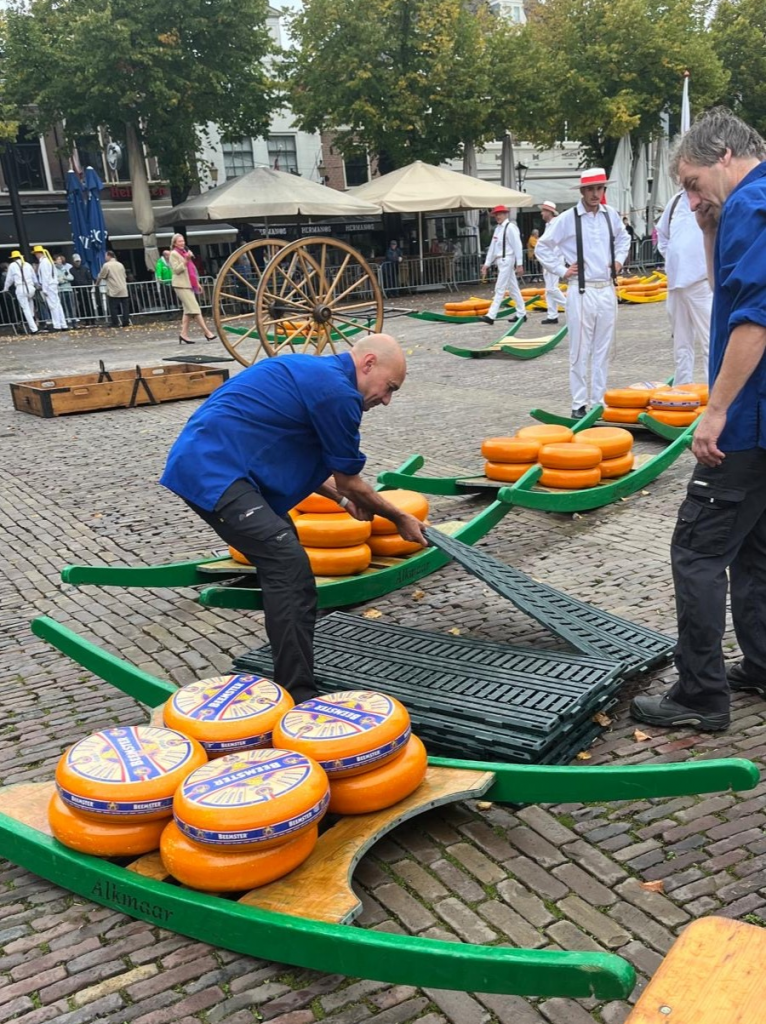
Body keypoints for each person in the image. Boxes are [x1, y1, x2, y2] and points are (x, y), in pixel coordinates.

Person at [160, 334, 428, 704]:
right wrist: (399, 518)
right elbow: (350, 479)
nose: (386, 399)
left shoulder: (315, 374)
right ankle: (297, 693)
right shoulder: (338, 395)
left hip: (221, 465)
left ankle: (292, 669)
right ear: (368, 364)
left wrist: (340, 498)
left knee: (289, 568)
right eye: (389, 387)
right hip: (212, 470)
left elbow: (314, 463)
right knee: (287, 564)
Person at [630, 107, 766, 733]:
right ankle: (761, 665)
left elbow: (754, 319)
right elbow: (727, 292)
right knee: (755, 550)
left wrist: (714, 413)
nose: (689, 198)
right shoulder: (738, 211)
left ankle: (700, 695)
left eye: (691, 183)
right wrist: (709, 227)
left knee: (696, 552)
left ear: (724, 158)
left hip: (748, 423)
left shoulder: (754, 203)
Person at [535, 169, 631, 418]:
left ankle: (598, 400)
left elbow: (624, 239)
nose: (595, 194)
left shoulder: (610, 215)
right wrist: (562, 270)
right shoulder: (567, 218)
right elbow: (543, 247)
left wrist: (619, 262)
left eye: (599, 188)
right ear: (582, 191)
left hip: (606, 289)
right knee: (579, 348)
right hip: (581, 290)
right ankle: (579, 402)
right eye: (591, 189)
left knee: (603, 348)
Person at [655, 190, 712, 384]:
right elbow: (662, 234)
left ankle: (714, 393)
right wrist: (672, 257)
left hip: (702, 283)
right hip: (676, 284)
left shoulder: (711, 196)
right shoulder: (675, 201)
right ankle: (682, 389)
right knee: (681, 344)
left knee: (710, 342)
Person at [480, 204, 526, 325]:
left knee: (499, 288)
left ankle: (491, 315)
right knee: (513, 288)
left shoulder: (510, 227)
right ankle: (522, 313)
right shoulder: (498, 229)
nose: (497, 216)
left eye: (500, 214)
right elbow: (493, 248)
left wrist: (519, 263)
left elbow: (517, 246)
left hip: (507, 259)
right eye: (496, 214)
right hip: (501, 260)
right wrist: (486, 264)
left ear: (506, 214)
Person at [169, 233, 216, 345]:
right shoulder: (173, 254)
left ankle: (183, 334)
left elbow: (192, 271)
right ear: (175, 243)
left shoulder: (186, 253)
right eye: (180, 241)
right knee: (195, 309)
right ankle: (207, 332)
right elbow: (176, 270)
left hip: (188, 284)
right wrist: (185, 261)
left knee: (188, 312)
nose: (182, 243)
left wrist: (197, 283)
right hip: (180, 285)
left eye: (183, 241)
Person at [538, 200, 568, 325]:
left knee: (552, 288)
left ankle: (570, 308)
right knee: (549, 289)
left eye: (543, 211)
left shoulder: (555, 225)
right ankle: (552, 315)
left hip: (554, 260)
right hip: (550, 259)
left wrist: (551, 259)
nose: (541, 213)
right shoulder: (549, 225)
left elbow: (557, 245)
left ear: (549, 212)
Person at [32, 245, 68, 331]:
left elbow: (45, 277)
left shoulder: (44, 262)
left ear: (38, 254)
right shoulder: (49, 261)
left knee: (53, 306)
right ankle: (63, 324)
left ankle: (57, 325)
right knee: (57, 305)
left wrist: (44, 289)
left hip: (49, 286)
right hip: (53, 284)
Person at [2, 250, 39, 334]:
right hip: (30, 287)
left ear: (13, 258)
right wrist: (36, 285)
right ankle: (33, 320)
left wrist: (5, 288)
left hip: (21, 287)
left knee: (25, 309)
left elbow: (9, 279)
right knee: (30, 305)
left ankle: (33, 328)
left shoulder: (12, 265)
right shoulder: (27, 264)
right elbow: (34, 276)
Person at [96, 250, 130, 327]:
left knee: (113, 307)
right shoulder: (120, 264)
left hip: (113, 289)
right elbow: (125, 276)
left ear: (109, 256)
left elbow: (101, 276)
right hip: (123, 289)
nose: (105, 258)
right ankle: (126, 321)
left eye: (105, 256)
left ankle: (115, 322)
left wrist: (96, 284)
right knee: (125, 307)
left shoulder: (107, 265)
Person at [54, 255, 77, 326]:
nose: (59, 261)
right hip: (61, 291)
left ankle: (74, 322)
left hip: (68, 289)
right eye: (58, 259)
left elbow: (71, 277)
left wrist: (64, 278)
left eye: (60, 259)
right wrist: (63, 279)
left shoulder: (65, 268)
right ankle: (65, 322)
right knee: (63, 307)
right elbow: (57, 280)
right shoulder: (54, 270)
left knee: (71, 306)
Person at [70, 254, 93, 321]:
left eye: (78, 261)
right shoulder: (71, 270)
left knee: (89, 304)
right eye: (76, 261)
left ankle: (92, 319)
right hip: (78, 290)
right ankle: (85, 319)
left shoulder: (85, 269)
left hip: (86, 289)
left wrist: (89, 288)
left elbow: (89, 279)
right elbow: (72, 280)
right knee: (81, 305)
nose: (78, 263)